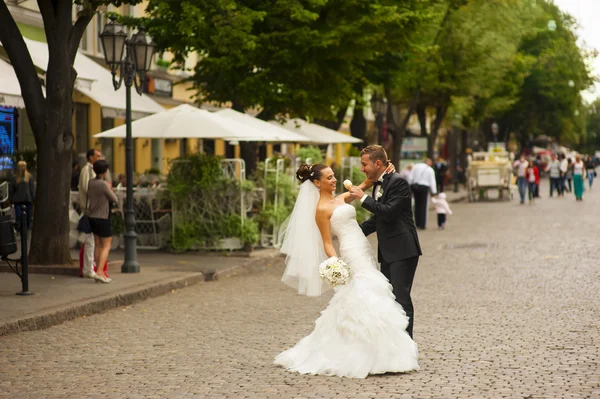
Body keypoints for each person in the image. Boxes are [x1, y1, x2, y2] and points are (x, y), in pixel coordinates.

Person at [274, 159, 419, 378]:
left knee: (378, 294)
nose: (334, 181)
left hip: (364, 248)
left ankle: (385, 351)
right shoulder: (321, 210)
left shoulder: (341, 198)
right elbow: (327, 243)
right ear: (316, 183)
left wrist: (384, 171)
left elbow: (364, 186)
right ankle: (365, 352)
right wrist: (336, 262)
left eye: (334, 176)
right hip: (351, 253)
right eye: (329, 178)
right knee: (364, 293)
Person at [86, 160, 119, 283]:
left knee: (98, 244)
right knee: (106, 244)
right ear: (104, 171)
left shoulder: (91, 182)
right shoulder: (103, 184)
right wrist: (110, 188)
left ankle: (97, 273)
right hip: (103, 217)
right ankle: (100, 271)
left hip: (92, 216)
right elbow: (114, 199)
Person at [78, 148, 102, 279]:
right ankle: (88, 269)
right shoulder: (87, 170)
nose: (99, 158)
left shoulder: (92, 171)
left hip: (93, 209)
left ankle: (89, 267)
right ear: (91, 157)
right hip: (89, 209)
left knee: (91, 241)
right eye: (97, 156)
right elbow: (87, 188)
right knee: (90, 241)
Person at [409, 159, 437, 229]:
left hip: (415, 187)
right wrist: (434, 192)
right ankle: (422, 224)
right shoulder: (430, 169)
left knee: (417, 205)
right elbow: (432, 181)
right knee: (424, 205)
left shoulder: (415, 167)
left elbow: (410, 177)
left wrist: (410, 185)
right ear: (428, 162)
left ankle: (417, 223)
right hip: (424, 187)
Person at [11, 161, 35, 232]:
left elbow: (32, 189)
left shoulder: (29, 177)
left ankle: (26, 231)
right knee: (18, 217)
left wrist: (33, 199)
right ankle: (20, 229)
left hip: (27, 200)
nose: (23, 168)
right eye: (21, 166)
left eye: (24, 166)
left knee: (28, 217)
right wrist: (11, 199)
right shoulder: (15, 178)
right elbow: (12, 189)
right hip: (18, 201)